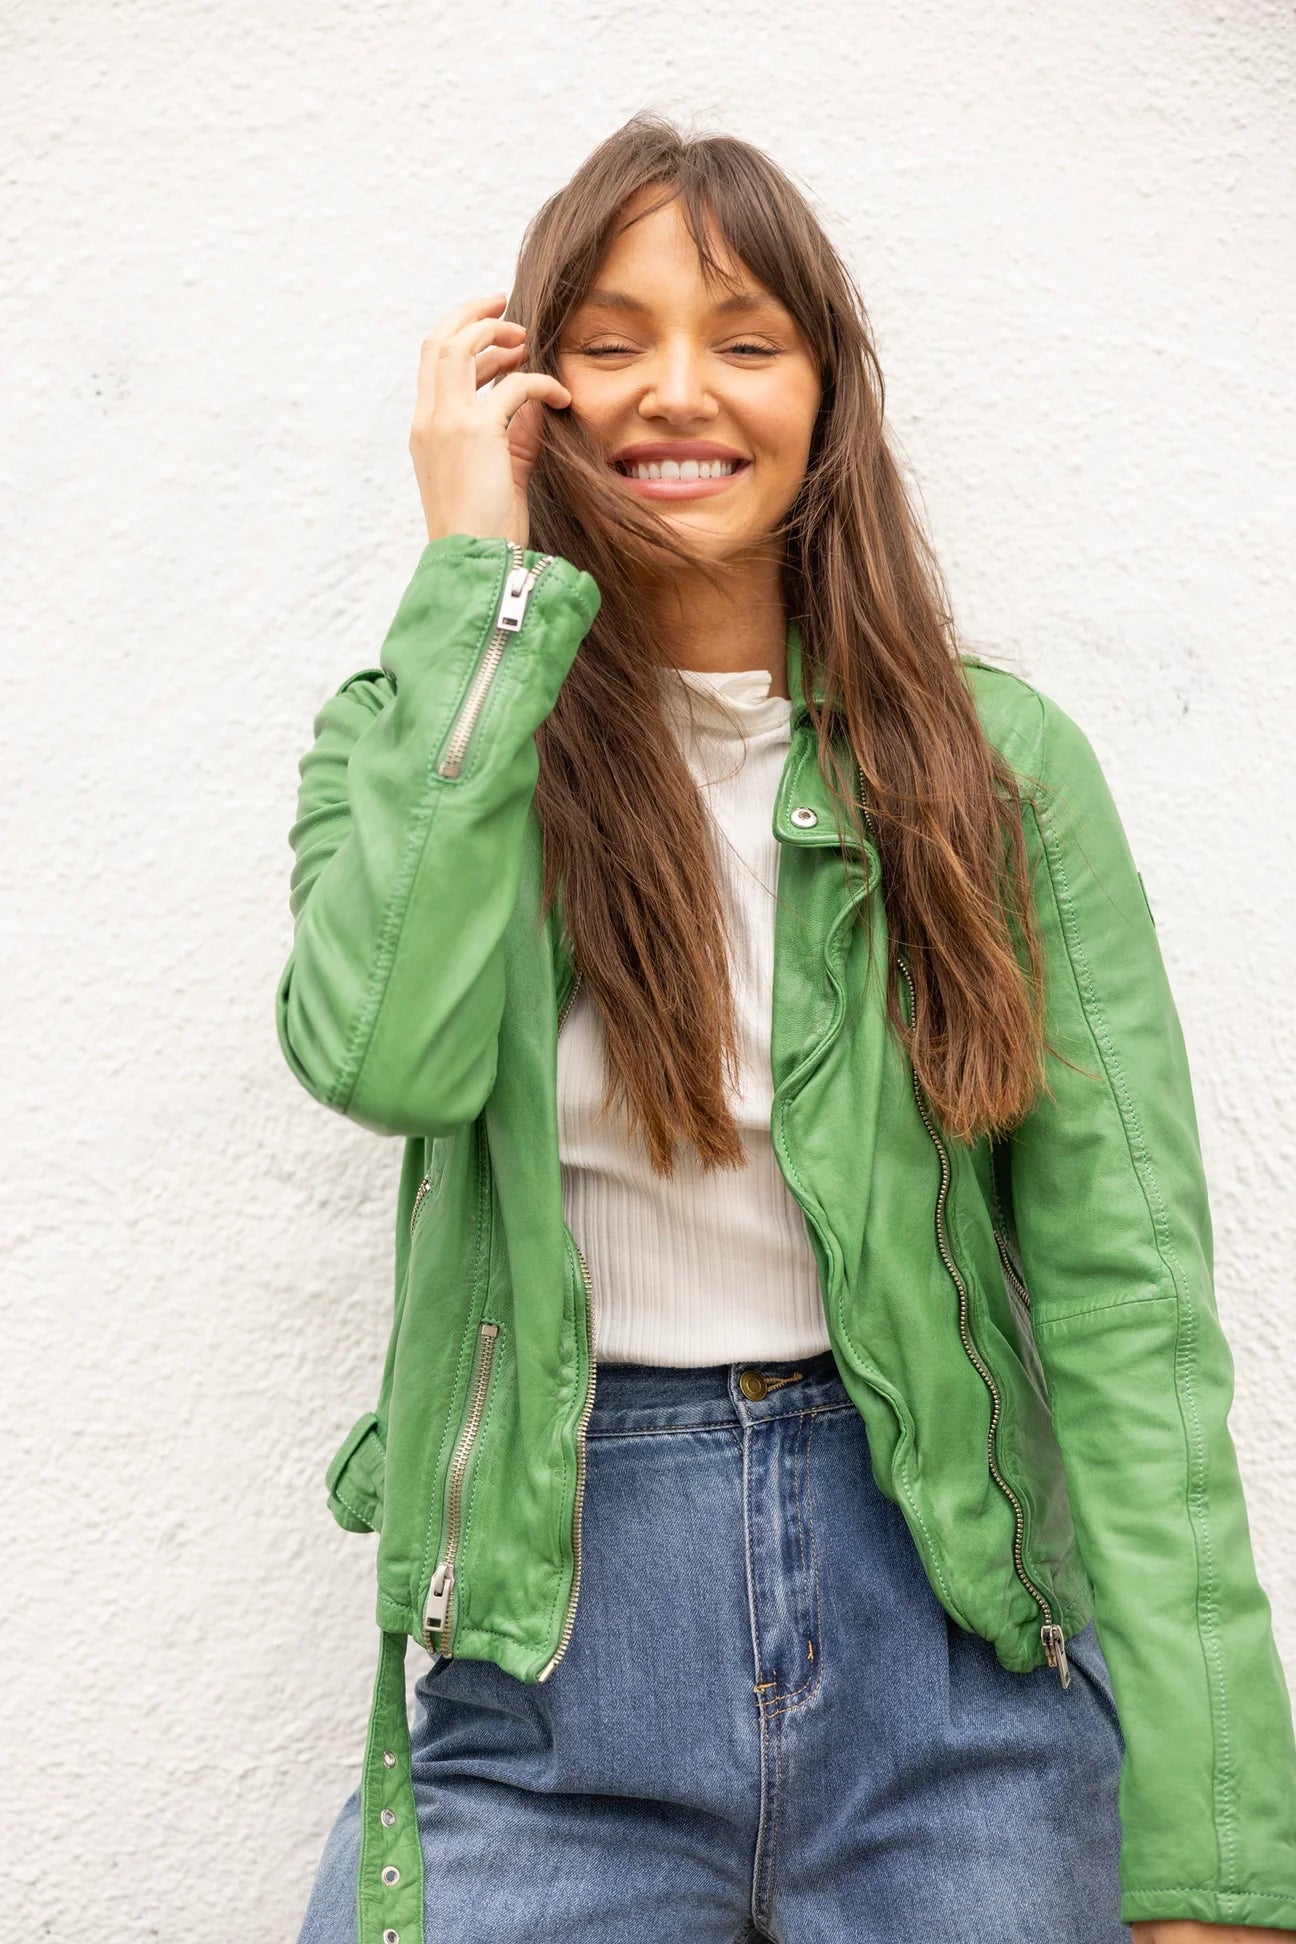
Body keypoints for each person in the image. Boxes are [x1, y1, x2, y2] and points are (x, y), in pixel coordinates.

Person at [277, 112, 1296, 1944]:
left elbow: (1133, 1313)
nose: (681, 391)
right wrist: (475, 591)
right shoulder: (418, 734)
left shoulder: (1000, 772)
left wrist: (1216, 1846)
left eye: (746, 340)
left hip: (955, 1676)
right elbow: (385, 1057)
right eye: (610, 341)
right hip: (546, 1684)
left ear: (828, 391)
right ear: (530, 393)